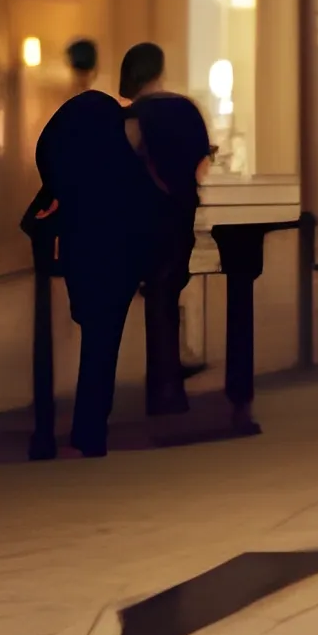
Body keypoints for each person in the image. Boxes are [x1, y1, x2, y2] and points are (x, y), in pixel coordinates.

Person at [32, 70, 151, 456]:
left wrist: (58, 190)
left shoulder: (72, 165)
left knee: (94, 334)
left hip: (81, 250)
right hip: (116, 254)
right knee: (104, 342)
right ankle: (90, 428)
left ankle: (83, 429)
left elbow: (48, 151)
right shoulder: (120, 156)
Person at [121, 43, 213, 418]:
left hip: (143, 218)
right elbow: (202, 165)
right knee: (168, 291)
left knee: (157, 297)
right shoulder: (187, 110)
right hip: (180, 215)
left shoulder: (130, 117)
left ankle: (163, 390)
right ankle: (168, 387)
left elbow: (123, 167)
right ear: (159, 70)